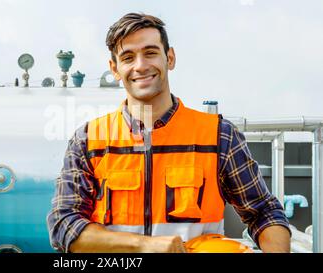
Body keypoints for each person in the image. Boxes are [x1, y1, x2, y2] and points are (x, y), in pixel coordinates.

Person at [47, 12, 291, 253]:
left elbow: (263, 212)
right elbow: (64, 226)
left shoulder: (219, 136)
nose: (140, 66)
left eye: (150, 53)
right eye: (128, 57)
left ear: (170, 58)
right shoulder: (89, 139)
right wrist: (146, 246)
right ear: (115, 68)